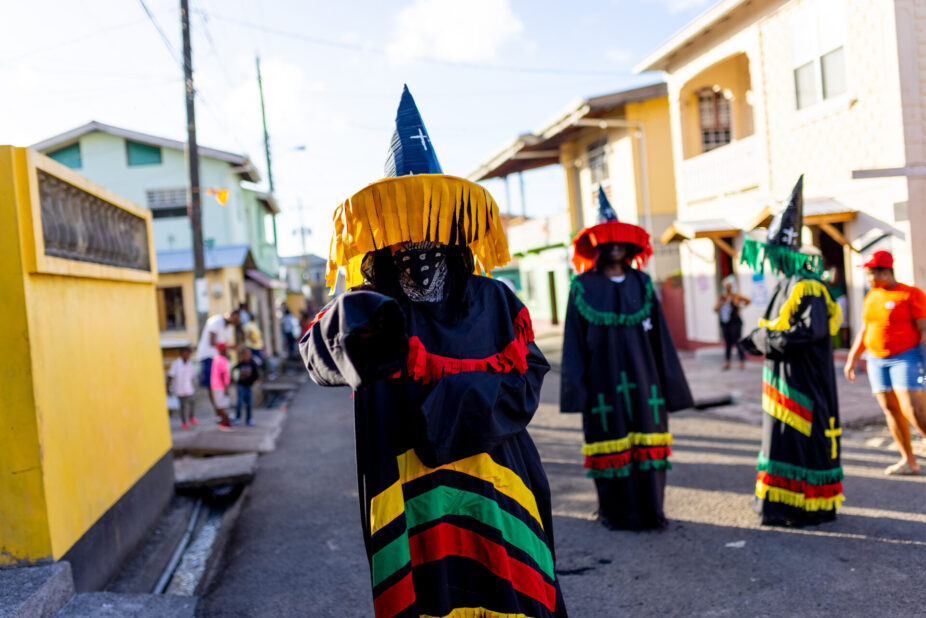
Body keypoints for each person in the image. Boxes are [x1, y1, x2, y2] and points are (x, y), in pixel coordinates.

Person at [301, 86, 566, 617]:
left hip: (500, 484)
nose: (419, 249)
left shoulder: (496, 299)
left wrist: (451, 403)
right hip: (410, 489)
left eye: (431, 232)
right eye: (405, 236)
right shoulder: (371, 308)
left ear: (453, 233)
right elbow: (321, 352)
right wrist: (348, 322)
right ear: (385, 242)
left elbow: (530, 375)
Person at [560, 186, 693, 530]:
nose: (616, 246)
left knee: (648, 444)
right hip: (602, 385)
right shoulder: (582, 287)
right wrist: (576, 391)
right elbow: (573, 345)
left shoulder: (643, 284)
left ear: (630, 245)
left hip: (645, 381)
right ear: (598, 246)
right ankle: (615, 513)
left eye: (621, 241)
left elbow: (662, 341)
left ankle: (652, 512)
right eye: (609, 241)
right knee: (610, 443)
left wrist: (671, 389)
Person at [740, 176, 844, 526]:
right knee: (782, 441)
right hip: (782, 384)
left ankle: (805, 507)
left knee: (804, 443)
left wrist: (762, 340)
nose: (771, 262)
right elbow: (772, 328)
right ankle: (781, 505)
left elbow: (807, 332)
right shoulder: (783, 284)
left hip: (805, 385)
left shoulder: (808, 286)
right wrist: (757, 338)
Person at [844, 250, 926, 475]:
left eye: (870, 274)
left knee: (912, 408)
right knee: (891, 410)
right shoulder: (871, 296)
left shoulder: (910, 294)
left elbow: (924, 329)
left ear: (885, 272)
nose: (868, 278)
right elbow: (865, 329)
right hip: (877, 360)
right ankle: (908, 461)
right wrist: (852, 358)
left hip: (907, 357)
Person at [196, 309, 240, 405]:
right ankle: (218, 410)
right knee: (212, 384)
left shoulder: (229, 327)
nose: (235, 321)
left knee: (221, 383)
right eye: (234, 318)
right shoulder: (216, 321)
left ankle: (221, 408)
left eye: (237, 320)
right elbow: (212, 342)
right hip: (208, 355)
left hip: (218, 358)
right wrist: (230, 347)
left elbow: (223, 345)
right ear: (229, 315)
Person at [714, 274, 750, 370]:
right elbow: (715, 309)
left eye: (729, 286)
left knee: (738, 341)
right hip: (725, 323)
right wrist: (721, 303)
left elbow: (748, 300)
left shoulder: (735, 296)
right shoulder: (721, 297)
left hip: (735, 322)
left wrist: (740, 308)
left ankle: (742, 361)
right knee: (728, 343)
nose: (727, 288)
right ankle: (727, 362)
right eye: (726, 286)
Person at [167, 345, 198, 429]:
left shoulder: (190, 364)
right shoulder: (176, 364)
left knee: (192, 403)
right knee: (183, 407)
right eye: (185, 353)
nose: (187, 355)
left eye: (188, 354)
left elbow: (192, 376)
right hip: (179, 389)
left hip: (189, 389)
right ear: (181, 354)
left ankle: (191, 417)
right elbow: (170, 376)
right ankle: (184, 422)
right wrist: (168, 388)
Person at [234, 347, 260, 426]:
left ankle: (249, 419)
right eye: (244, 355)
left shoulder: (252, 364)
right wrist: (235, 381)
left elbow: (256, 374)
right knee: (239, 403)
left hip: (249, 386)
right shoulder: (240, 364)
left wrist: (255, 381)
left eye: (247, 354)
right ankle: (238, 418)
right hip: (241, 386)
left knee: (249, 403)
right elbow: (235, 372)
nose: (245, 356)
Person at [210, 343, 234, 430]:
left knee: (220, 405)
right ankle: (225, 423)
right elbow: (222, 374)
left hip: (215, 386)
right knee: (222, 406)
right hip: (220, 386)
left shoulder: (215, 359)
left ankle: (224, 422)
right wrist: (226, 388)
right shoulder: (222, 359)